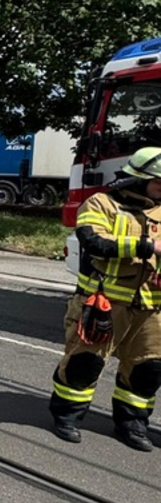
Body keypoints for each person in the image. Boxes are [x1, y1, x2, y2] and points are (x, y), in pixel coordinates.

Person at [50, 146, 161, 451]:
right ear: (138, 179)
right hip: (103, 303)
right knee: (83, 363)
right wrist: (148, 246)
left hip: (153, 309)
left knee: (147, 370)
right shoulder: (102, 203)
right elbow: (94, 242)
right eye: (159, 183)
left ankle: (132, 424)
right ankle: (67, 416)